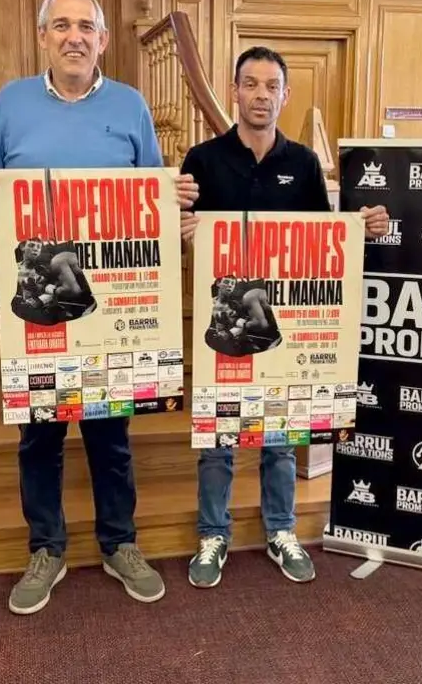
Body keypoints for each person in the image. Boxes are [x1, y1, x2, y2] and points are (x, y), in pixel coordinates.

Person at [0, 0, 200, 615]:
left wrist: (173, 211)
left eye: (85, 26)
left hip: (112, 310)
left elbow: (154, 197)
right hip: (35, 308)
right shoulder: (11, 102)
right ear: (43, 36)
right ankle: (47, 548)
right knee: (39, 435)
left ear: (102, 39)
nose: (74, 36)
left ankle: (120, 542)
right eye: (61, 25)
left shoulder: (130, 105)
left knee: (109, 437)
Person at [176, 46, 390, 588]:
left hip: (282, 324)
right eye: (251, 84)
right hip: (222, 325)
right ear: (235, 91)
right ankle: (212, 534)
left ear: (284, 96)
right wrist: (186, 235)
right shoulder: (202, 159)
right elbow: (180, 239)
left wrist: (357, 229)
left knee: (279, 431)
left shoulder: (301, 165)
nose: (261, 95)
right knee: (219, 435)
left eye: (272, 86)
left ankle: (280, 528)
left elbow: (323, 240)